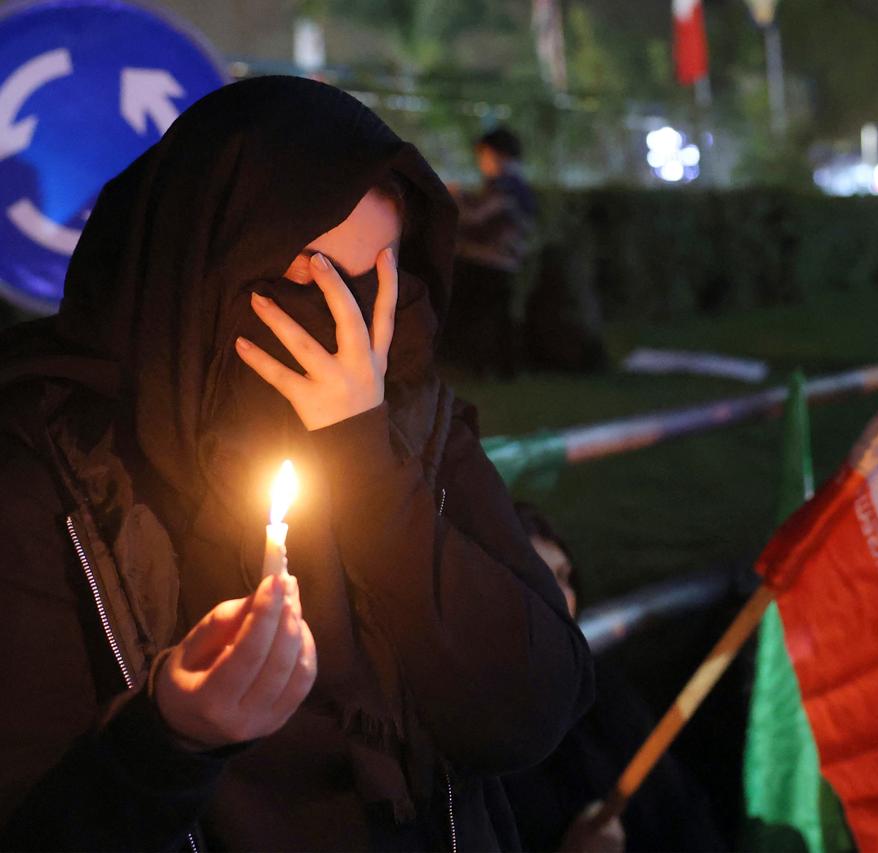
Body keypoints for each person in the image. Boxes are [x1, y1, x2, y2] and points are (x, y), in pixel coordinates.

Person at [0, 77, 592, 851]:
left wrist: (372, 470)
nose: (346, 334)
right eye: (312, 281)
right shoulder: (51, 478)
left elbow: (534, 705)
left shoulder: (416, 422)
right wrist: (168, 738)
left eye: (373, 286)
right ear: (203, 261)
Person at [503, 504, 725, 853]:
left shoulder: (604, 693)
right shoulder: (467, 740)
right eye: (537, 579)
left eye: (563, 577)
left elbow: (683, 815)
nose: (560, 597)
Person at [439, 127, 537, 378]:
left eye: (483, 156)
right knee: (499, 318)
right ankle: (502, 368)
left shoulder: (507, 188)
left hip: (489, 261)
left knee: (479, 317)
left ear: (497, 154)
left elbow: (476, 218)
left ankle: (481, 367)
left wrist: (455, 197)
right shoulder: (517, 187)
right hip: (505, 263)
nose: (482, 164)